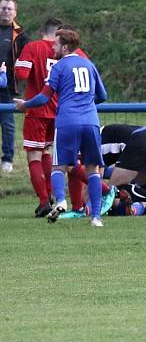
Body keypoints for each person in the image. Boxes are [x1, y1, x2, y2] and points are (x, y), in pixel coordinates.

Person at [14, 28, 108, 226]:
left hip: (67, 121)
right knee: (92, 168)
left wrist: (25, 104)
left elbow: (43, 97)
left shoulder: (58, 67)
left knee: (59, 166)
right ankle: (97, 218)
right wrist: (86, 104)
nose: (53, 47)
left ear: (65, 47)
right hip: (91, 121)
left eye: (55, 44)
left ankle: (60, 200)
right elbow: (103, 96)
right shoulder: (89, 65)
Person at [0, 0, 30, 172]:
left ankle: (7, 160)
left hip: (9, 87)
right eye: (3, 8)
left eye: (9, 9)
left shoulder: (21, 35)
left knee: (8, 124)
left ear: (15, 13)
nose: (5, 11)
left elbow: (29, 58)